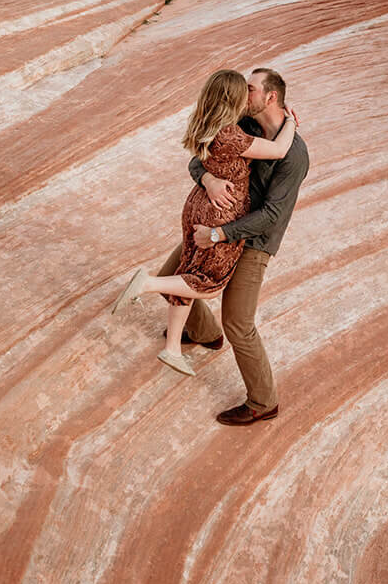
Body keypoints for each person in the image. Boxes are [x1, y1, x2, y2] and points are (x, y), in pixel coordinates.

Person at [112, 69, 296, 376]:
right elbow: (278, 150)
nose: (247, 95)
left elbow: (199, 161)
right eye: (244, 90)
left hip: (197, 204)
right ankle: (148, 284)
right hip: (218, 215)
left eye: (251, 89)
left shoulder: (211, 123)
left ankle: (173, 348)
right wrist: (291, 121)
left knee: (187, 269)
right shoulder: (235, 134)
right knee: (205, 283)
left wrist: (208, 179)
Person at [156, 66, 309, 425]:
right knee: (169, 276)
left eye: (251, 89)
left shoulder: (294, 156)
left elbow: (272, 214)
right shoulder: (244, 126)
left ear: (270, 97)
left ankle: (262, 402)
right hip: (218, 226)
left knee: (239, 323)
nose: (244, 93)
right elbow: (200, 158)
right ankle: (205, 334)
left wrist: (219, 235)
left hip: (252, 241)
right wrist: (208, 179)